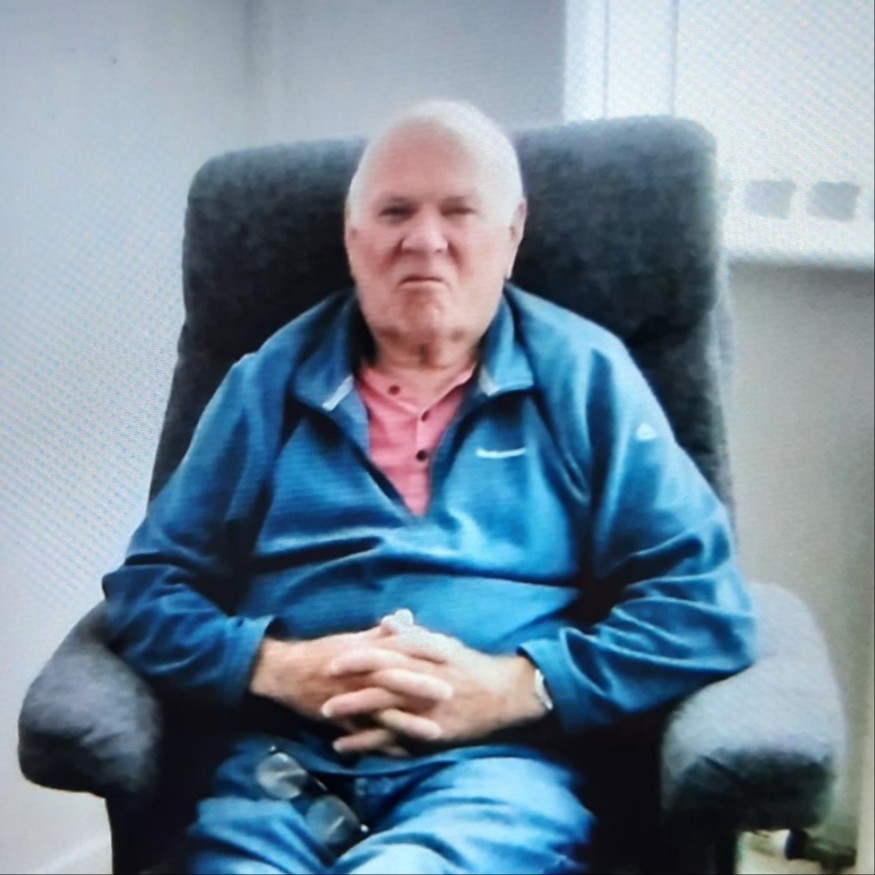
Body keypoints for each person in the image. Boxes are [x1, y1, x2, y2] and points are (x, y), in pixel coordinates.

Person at [102, 99, 756, 874]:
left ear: (510, 233)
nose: (424, 239)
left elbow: (701, 607)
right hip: (286, 774)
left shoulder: (586, 378)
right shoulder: (265, 385)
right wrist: (277, 667)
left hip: (493, 770)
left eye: (458, 211)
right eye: (394, 212)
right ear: (353, 237)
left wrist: (516, 686)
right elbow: (148, 591)